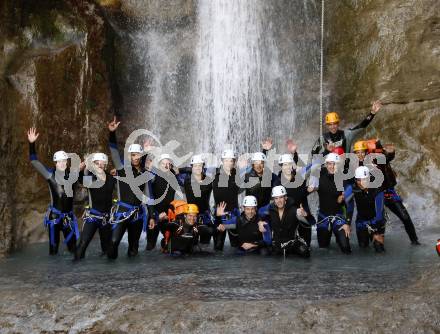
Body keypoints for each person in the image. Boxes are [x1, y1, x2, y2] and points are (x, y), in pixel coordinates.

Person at [27, 127, 79, 255]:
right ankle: (54, 275)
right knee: (53, 251)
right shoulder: (49, 174)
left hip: (68, 217)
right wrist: (32, 143)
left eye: (64, 161)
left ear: (67, 162)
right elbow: (34, 161)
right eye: (59, 161)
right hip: (55, 218)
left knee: (73, 250)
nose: (61, 163)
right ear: (55, 163)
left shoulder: (74, 175)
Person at [107, 117, 149, 259]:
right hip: (122, 212)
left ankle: (133, 279)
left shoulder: (144, 173)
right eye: (132, 155)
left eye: (138, 155)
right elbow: (113, 151)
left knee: (133, 247)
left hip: (137, 214)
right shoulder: (122, 168)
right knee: (113, 242)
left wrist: (153, 215)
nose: (135, 157)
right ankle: (110, 275)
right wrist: (112, 133)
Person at [366, 140, 420, 245]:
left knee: (405, 217)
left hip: (388, 192)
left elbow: (388, 157)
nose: (375, 154)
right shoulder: (366, 160)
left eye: (377, 152)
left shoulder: (383, 156)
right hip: (375, 195)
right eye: (372, 152)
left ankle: (415, 241)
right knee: (379, 221)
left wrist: (391, 152)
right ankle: (376, 244)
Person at [74, 153, 115, 260]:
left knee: (108, 251)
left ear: (105, 165)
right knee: (83, 244)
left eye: (102, 163)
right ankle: (74, 272)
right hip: (92, 218)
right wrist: (80, 170)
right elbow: (80, 179)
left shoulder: (111, 178)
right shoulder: (91, 178)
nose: (100, 165)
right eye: (97, 163)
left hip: (106, 219)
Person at [309, 153, 352, 254]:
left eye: (334, 164)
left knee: (346, 248)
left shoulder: (343, 178)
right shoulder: (320, 174)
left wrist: (347, 223)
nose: (332, 166)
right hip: (323, 218)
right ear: (325, 164)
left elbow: (350, 203)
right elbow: (304, 174)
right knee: (322, 250)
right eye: (329, 164)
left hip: (338, 218)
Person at [311, 100, 383, 155]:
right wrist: (327, 150)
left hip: (345, 167)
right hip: (330, 168)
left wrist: (372, 113)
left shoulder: (347, 134)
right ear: (327, 125)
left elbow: (362, 126)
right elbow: (313, 153)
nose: (333, 127)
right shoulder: (322, 138)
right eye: (330, 124)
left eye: (335, 124)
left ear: (338, 123)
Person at [259, 186, 310, 258]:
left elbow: (308, 224)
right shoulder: (270, 209)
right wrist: (260, 222)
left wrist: (305, 215)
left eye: (281, 197)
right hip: (276, 244)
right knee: (263, 253)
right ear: (273, 200)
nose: (279, 201)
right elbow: (258, 213)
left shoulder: (295, 210)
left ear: (285, 197)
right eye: (276, 198)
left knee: (305, 252)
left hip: (291, 244)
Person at [345, 166, 386, 252]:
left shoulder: (377, 188)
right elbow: (346, 202)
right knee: (363, 249)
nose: (361, 183)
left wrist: (376, 230)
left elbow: (380, 211)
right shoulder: (353, 187)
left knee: (379, 248)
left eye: (364, 180)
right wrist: (347, 222)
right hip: (361, 222)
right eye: (358, 180)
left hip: (377, 221)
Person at [146, 153, 181, 251]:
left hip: (169, 215)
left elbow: (179, 198)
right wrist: (154, 216)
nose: (166, 166)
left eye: (168, 164)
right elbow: (149, 197)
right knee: (150, 246)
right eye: (163, 163)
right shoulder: (152, 177)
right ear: (159, 165)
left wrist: (179, 173)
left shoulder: (175, 178)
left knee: (170, 246)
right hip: (155, 215)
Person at [177, 155, 214, 245]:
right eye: (195, 165)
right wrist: (188, 169)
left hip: (205, 215)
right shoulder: (185, 179)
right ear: (192, 167)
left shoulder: (209, 180)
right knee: (191, 243)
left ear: (203, 167)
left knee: (205, 244)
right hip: (191, 216)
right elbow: (175, 171)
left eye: (200, 165)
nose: (198, 168)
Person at [212, 149, 242, 250]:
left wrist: (265, 151)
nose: (229, 163)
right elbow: (195, 169)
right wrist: (175, 170)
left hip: (233, 215)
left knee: (236, 247)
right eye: (226, 160)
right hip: (219, 215)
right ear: (222, 161)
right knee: (218, 248)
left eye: (231, 160)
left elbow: (258, 170)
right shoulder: (214, 174)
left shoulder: (237, 175)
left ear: (234, 162)